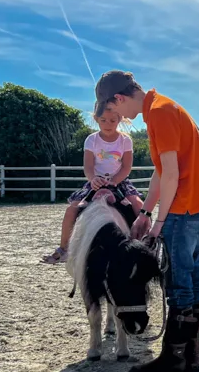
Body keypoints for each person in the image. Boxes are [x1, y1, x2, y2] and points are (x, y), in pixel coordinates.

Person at [94, 70, 199, 372]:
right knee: (191, 275)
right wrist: (146, 212)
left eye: (116, 112)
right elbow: (160, 172)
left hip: (184, 205)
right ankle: (191, 354)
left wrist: (160, 222)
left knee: (178, 281)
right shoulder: (162, 108)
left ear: (119, 98)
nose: (122, 118)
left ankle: (173, 358)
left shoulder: (159, 114)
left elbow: (170, 175)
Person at [41, 105, 144, 265]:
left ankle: (145, 245)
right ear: (96, 119)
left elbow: (126, 167)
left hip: (119, 181)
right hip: (96, 181)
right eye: (103, 120)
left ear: (120, 120)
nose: (108, 124)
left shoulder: (125, 140)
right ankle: (64, 249)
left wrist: (115, 181)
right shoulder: (92, 140)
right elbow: (88, 166)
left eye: (112, 120)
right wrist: (93, 179)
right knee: (72, 210)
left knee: (138, 205)